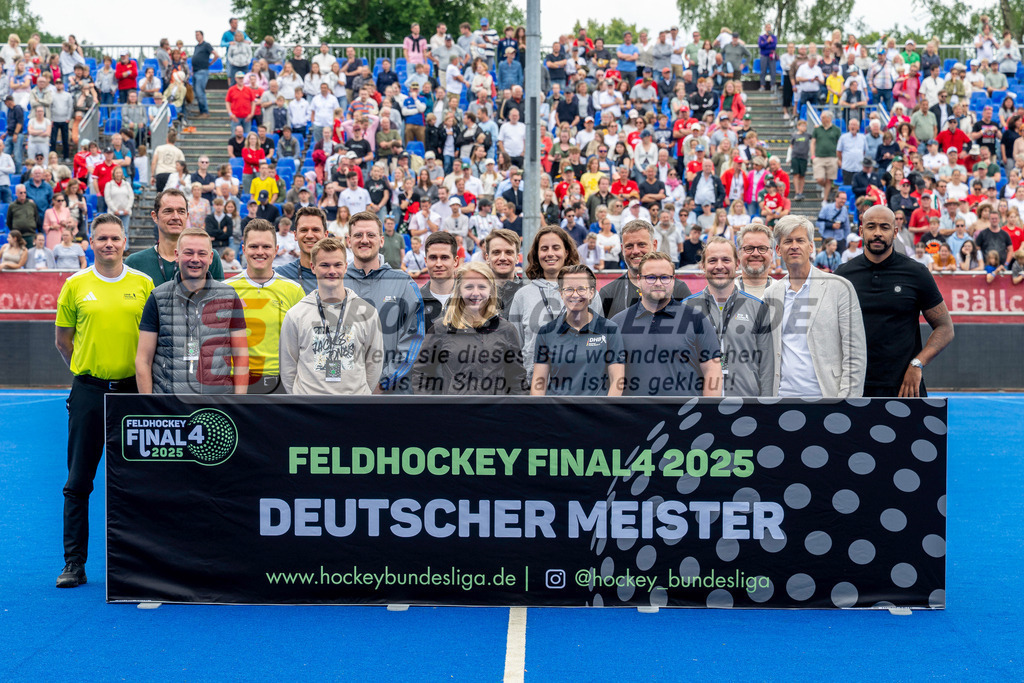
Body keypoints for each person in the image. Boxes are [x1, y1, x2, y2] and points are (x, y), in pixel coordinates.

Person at [53, 215, 154, 588]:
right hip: (90, 393)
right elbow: (64, 342)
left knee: (135, 480)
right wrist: (86, 374)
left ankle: (137, 563)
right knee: (79, 480)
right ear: (90, 243)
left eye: (114, 238)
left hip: (131, 393)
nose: (108, 244)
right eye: (101, 239)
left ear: (124, 242)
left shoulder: (143, 283)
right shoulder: (75, 285)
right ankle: (74, 564)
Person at [835, 205, 954, 397]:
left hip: (905, 387)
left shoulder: (917, 273)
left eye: (884, 227)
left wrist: (917, 364)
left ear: (895, 232)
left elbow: (945, 328)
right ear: (861, 231)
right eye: (871, 227)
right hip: (854, 387)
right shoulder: (843, 275)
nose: (878, 233)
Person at [135, 227, 248, 395]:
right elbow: (143, 360)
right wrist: (151, 408)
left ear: (210, 258)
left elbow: (241, 356)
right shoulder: (158, 298)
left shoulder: (229, 297)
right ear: (177, 255)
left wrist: (239, 404)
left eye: (202, 254)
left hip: (216, 404)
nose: (195, 259)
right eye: (188, 253)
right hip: (169, 407)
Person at [764, 215, 866, 398]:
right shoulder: (771, 294)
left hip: (828, 397)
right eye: (788, 241)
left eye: (800, 240)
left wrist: (849, 402)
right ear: (778, 249)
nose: (794, 245)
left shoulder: (840, 288)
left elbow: (855, 353)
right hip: (781, 399)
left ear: (811, 246)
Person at [279, 236, 383, 395]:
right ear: (313, 267)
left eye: (337, 265)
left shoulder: (367, 312)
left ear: (346, 267)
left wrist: (359, 397)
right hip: (310, 409)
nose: (332, 271)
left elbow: (374, 364)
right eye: (325, 265)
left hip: (354, 406)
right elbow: (287, 366)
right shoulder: (296, 315)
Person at [612, 251, 723, 397]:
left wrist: (708, 413)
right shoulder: (617, 324)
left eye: (665, 277)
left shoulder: (697, 320)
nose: (658, 283)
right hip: (635, 417)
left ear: (673, 280)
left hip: (685, 417)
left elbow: (712, 371)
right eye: (650, 277)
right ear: (638, 280)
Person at [411, 262, 527, 395]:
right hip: (455, 412)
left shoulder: (506, 330)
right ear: (459, 290)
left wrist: (512, 413)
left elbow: (517, 379)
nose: (475, 293)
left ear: (491, 290)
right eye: (469, 287)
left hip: (494, 413)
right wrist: (433, 410)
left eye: (482, 287)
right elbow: (421, 372)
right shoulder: (441, 328)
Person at [344, 210, 425, 392]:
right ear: (349, 241)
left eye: (371, 235)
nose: (364, 240)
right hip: (345, 393)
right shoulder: (335, 283)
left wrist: (384, 382)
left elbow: (414, 338)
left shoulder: (404, 283)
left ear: (381, 241)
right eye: (358, 235)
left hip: (393, 393)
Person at [683, 237, 773, 396]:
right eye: (712, 260)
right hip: (698, 408)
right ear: (702, 266)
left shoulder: (758, 308)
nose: (719, 266)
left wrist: (765, 406)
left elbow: (767, 367)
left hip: (746, 407)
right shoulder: (685, 309)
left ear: (737, 264)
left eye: (726, 260)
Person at [225, 219, 305, 394]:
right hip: (235, 383)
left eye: (266, 247)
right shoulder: (225, 289)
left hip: (282, 384)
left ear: (276, 250)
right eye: (254, 247)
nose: (260, 252)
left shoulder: (294, 290)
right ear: (244, 249)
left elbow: (304, 344)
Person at [508, 225, 597, 377]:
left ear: (566, 251)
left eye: (556, 248)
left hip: (580, 386)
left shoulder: (587, 292)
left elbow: (599, 341)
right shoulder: (522, 296)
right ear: (537, 254)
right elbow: (515, 348)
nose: (550, 254)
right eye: (544, 249)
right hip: (534, 387)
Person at [531, 264, 626, 396]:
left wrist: (605, 414)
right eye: (569, 289)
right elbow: (539, 384)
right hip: (557, 414)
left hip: (595, 414)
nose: (575, 295)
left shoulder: (609, 329)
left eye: (581, 289)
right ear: (561, 293)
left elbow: (617, 381)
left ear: (591, 292)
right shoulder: (546, 333)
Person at [125, 189, 225, 284]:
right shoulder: (135, 262)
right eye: (168, 211)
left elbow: (219, 299)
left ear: (187, 216)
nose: (176, 217)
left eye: (181, 211)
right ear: (155, 216)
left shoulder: (206, 258)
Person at [599, 220, 692, 318]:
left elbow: (693, 328)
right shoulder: (608, 293)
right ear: (622, 249)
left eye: (641, 244)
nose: (635, 251)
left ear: (654, 245)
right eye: (629, 246)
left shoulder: (678, 288)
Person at [276, 206, 327, 293]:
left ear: (325, 235)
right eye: (304, 230)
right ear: (295, 235)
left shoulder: (340, 274)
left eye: (315, 230)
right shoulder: (280, 275)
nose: (309, 235)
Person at [420, 231, 461, 330]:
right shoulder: (415, 301)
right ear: (426, 261)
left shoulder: (470, 299)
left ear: (455, 261)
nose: (438, 264)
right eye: (433, 258)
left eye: (444, 257)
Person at [483, 228, 523, 316]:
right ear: (487, 258)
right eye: (496, 252)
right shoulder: (476, 293)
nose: (502, 258)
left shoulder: (527, 292)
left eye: (509, 252)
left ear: (517, 258)